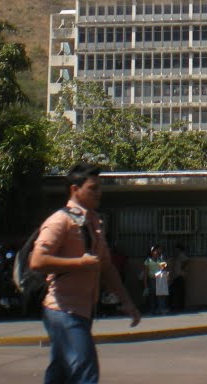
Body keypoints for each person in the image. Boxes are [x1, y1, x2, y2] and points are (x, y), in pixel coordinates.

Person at [30, 161, 140, 384]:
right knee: (86, 372)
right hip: (63, 310)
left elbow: (106, 267)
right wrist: (79, 263)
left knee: (60, 374)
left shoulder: (94, 221)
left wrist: (127, 302)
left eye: (99, 187)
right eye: (93, 188)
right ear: (74, 189)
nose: (99, 193)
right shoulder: (60, 221)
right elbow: (37, 261)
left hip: (82, 310)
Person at [141, 245, 163, 315]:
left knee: (160, 295)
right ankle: (152, 310)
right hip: (152, 279)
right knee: (152, 295)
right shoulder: (148, 261)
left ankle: (159, 309)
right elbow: (145, 273)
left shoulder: (160, 260)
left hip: (159, 279)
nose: (157, 252)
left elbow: (163, 269)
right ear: (152, 252)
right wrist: (145, 285)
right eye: (155, 251)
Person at [169, 244, 188, 313]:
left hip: (180, 275)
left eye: (177, 249)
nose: (175, 250)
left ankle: (180, 306)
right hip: (176, 276)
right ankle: (177, 305)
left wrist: (182, 268)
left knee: (180, 291)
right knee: (176, 291)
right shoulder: (177, 256)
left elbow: (186, 261)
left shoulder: (181, 255)